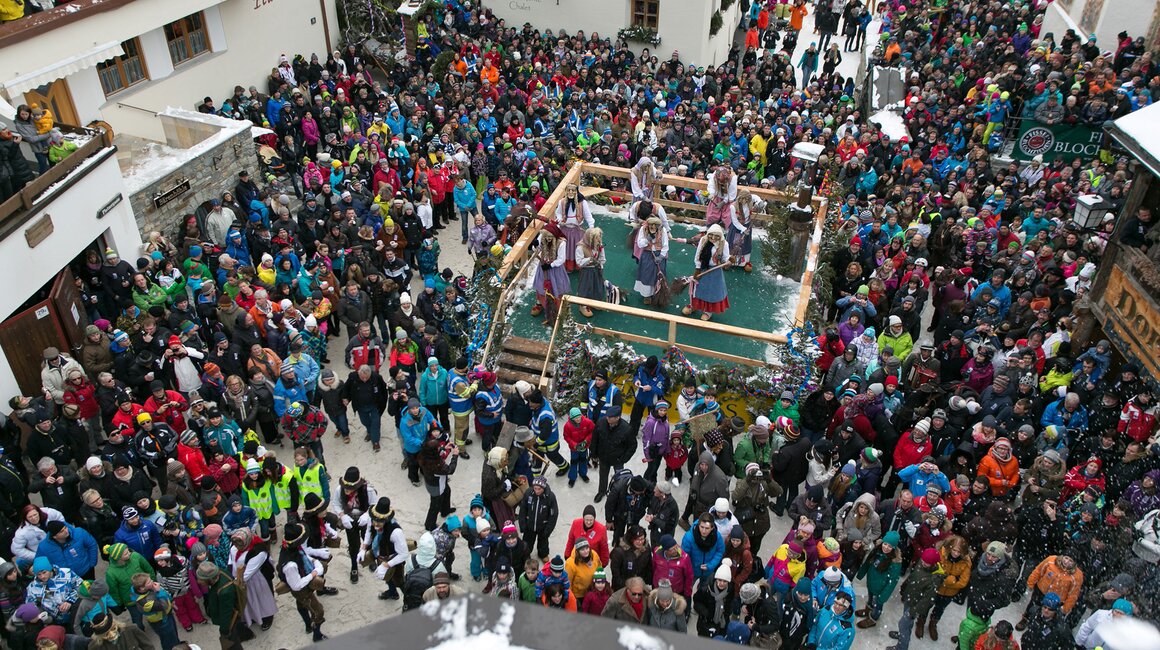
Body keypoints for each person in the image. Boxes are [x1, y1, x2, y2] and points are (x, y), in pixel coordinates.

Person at [682, 225, 731, 321]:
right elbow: (698, 255)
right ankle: (694, 305)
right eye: (711, 235)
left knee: (711, 291)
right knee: (698, 288)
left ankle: (708, 311)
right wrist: (698, 268)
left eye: (716, 236)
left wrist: (729, 260)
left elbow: (725, 258)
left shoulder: (724, 244)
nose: (713, 238)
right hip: (703, 269)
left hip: (715, 271)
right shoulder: (703, 240)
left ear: (720, 236)